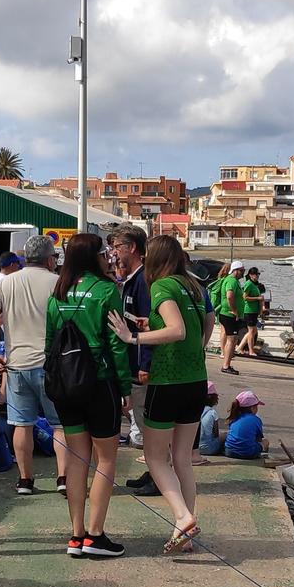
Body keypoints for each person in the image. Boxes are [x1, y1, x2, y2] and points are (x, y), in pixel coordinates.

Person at [47, 231, 134, 558]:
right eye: (104, 252)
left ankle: (76, 534)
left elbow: (49, 343)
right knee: (106, 459)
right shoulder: (107, 291)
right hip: (100, 382)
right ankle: (95, 536)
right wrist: (124, 387)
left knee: (77, 460)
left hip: (66, 386)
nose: (108, 257)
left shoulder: (57, 293)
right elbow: (116, 344)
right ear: (94, 256)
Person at [129, 235, 211, 552]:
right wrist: (152, 324)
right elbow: (206, 322)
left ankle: (182, 516)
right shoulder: (194, 286)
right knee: (182, 460)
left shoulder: (161, 286)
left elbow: (176, 330)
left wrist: (134, 337)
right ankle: (185, 531)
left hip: (168, 382)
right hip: (196, 380)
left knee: (154, 457)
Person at [0, 233, 66, 497]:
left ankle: (25, 480)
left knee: (22, 424)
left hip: (17, 365)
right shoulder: (59, 283)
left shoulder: (6, 283)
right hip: (52, 365)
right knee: (60, 425)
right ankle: (63, 478)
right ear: (50, 259)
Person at [109, 226, 151, 451]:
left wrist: (145, 364)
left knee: (146, 425)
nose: (114, 253)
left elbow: (147, 326)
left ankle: (156, 474)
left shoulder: (143, 282)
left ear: (132, 248)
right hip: (133, 365)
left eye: (117, 247)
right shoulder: (130, 281)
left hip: (140, 367)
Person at [211, 266, 244, 375]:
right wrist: (234, 310)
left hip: (226, 314)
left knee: (232, 338)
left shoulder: (232, 280)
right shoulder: (231, 281)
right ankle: (226, 365)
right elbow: (229, 296)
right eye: (242, 271)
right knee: (232, 339)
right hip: (229, 314)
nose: (243, 273)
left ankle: (227, 362)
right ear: (235, 270)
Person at [222, 390, 266, 459]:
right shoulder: (256, 419)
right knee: (265, 442)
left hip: (229, 452)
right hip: (248, 453)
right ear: (252, 408)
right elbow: (259, 439)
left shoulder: (234, 417)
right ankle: (261, 457)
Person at [239, 266, 266, 356]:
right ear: (251, 275)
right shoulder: (249, 284)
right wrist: (257, 298)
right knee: (251, 331)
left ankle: (240, 347)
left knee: (253, 331)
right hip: (249, 311)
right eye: (255, 274)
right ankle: (251, 350)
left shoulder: (255, 284)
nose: (257, 276)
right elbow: (245, 297)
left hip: (254, 311)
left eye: (258, 274)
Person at [197, 384, 226, 456]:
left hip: (193, 447)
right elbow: (216, 434)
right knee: (225, 435)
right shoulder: (212, 413)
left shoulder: (194, 410)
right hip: (209, 449)